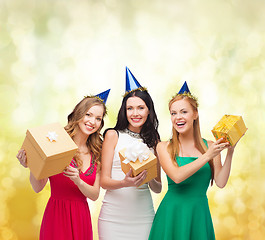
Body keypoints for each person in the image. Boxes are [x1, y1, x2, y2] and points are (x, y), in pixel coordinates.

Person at [148, 82, 244, 240]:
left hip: (198, 213)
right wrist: (207, 156)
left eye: (183, 112)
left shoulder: (211, 146)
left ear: (195, 114)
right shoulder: (163, 147)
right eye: (173, 113)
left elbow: (220, 182)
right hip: (172, 214)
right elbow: (177, 177)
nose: (178, 117)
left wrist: (231, 152)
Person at [16, 89, 110, 240]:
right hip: (56, 216)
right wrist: (32, 165)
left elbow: (94, 195)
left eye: (98, 118)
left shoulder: (97, 153)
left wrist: (78, 180)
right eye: (88, 114)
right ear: (79, 114)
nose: (92, 122)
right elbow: (37, 187)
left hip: (81, 218)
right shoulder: (57, 143)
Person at [98, 67, 162, 240]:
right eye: (130, 108)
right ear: (124, 112)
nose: (135, 113)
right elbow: (103, 181)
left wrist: (150, 177)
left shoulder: (154, 140)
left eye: (140, 108)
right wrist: (125, 182)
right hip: (113, 217)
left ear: (149, 110)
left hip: (143, 217)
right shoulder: (113, 135)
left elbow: (158, 188)